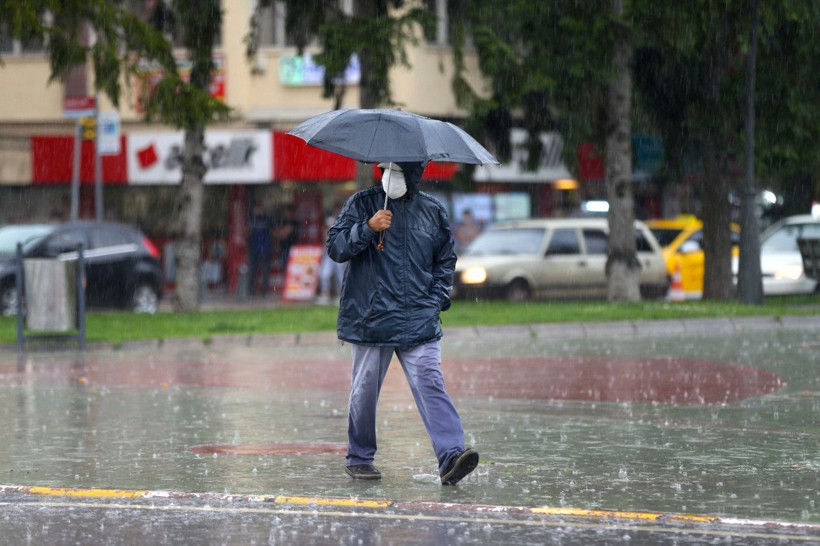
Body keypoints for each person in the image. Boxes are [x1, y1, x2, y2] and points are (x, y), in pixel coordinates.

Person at [326, 161, 479, 485]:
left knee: (430, 382)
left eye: (398, 171)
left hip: (418, 318)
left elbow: (444, 260)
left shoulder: (432, 211)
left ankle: (451, 456)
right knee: (364, 391)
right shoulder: (362, 203)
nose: (390, 177)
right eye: (385, 169)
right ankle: (360, 457)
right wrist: (368, 227)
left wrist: (436, 299)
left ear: (415, 174)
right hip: (372, 318)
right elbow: (336, 248)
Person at [316, 205, 346, 305]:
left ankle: (342, 297)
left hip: (339, 252)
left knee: (340, 276)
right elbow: (325, 237)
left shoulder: (342, 222)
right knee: (324, 274)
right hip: (328, 253)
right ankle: (326, 295)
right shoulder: (329, 222)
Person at [247, 204, 273, 296]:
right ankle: (252, 289)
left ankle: (263, 290)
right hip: (255, 248)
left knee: (263, 270)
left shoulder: (266, 219)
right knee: (253, 270)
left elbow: (272, 232)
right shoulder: (251, 219)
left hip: (263, 248)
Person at [273, 203, 299, 276]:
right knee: (284, 268)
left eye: (286, 211)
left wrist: (279, 232)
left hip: (291, 249)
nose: (284, 213)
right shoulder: (282, 221)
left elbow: (283, 233)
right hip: (283, 248)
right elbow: (274, 233)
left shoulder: (293, 222)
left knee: (291, 269)